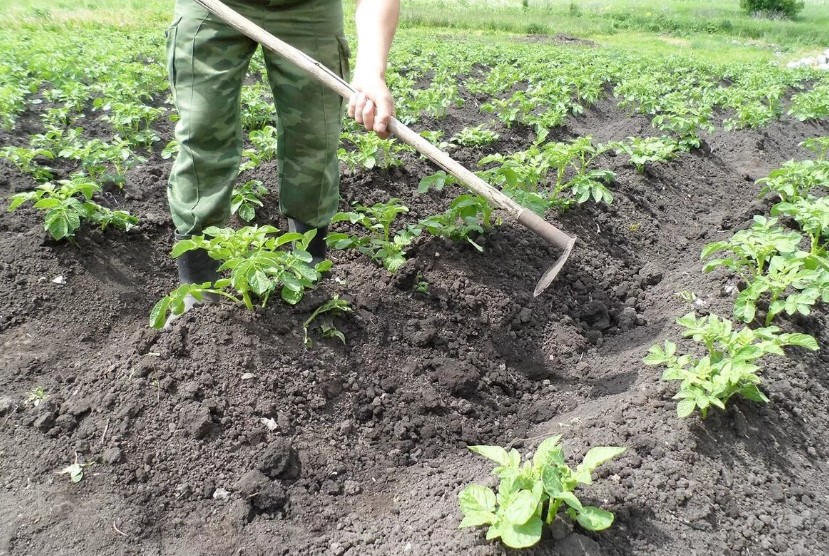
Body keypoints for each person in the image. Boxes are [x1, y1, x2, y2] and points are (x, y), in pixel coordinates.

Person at [164, 0, 398, 296]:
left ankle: (306, 274)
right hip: (214, 6)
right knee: (203, 129)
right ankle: (198, 286)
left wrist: (371, 70)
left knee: (315, 135)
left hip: (309, 7)